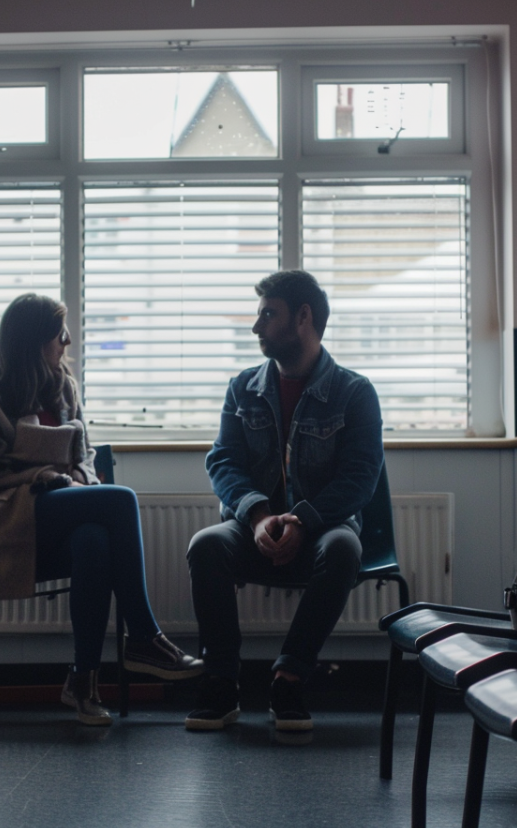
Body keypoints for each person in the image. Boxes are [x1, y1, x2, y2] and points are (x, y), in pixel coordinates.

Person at [0, 293, 203, 726]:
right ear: (33, 339)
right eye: (59, 333)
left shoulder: (64, 386)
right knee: (121, 498)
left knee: (93, 539)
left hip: (58, 516)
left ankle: (82, 683)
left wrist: (76, 481)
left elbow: (84, 456)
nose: (67, 341)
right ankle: (144, 637)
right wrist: (47, 475)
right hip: (6, 518)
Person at [185, 270, 384, 733]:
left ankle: (289, 676)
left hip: (321, 529)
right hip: (253, 528)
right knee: (206, 545)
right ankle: (220, 681)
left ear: (303, 318)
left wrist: (301, 520)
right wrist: (257, 516)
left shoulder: (355, 393)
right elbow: (224, 462)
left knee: (344, 549)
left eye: (267, 314)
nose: (256, 327)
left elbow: (360, 479)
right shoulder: (243, 388)